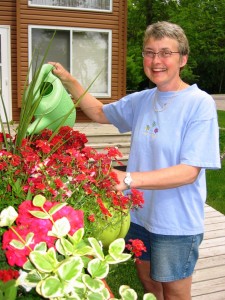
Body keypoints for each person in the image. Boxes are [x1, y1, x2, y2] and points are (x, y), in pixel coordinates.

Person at [49, 21, 221, 300]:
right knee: (149, 283)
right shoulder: (142, 100)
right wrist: (69, 80)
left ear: (183, 59)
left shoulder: (198, 103)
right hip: (140, 216)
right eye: (149, 52)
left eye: (166, 52)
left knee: (175, 293)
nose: (156, 61)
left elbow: (189, 171)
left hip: (175, 222)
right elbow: (100, 113)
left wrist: (128, 179)